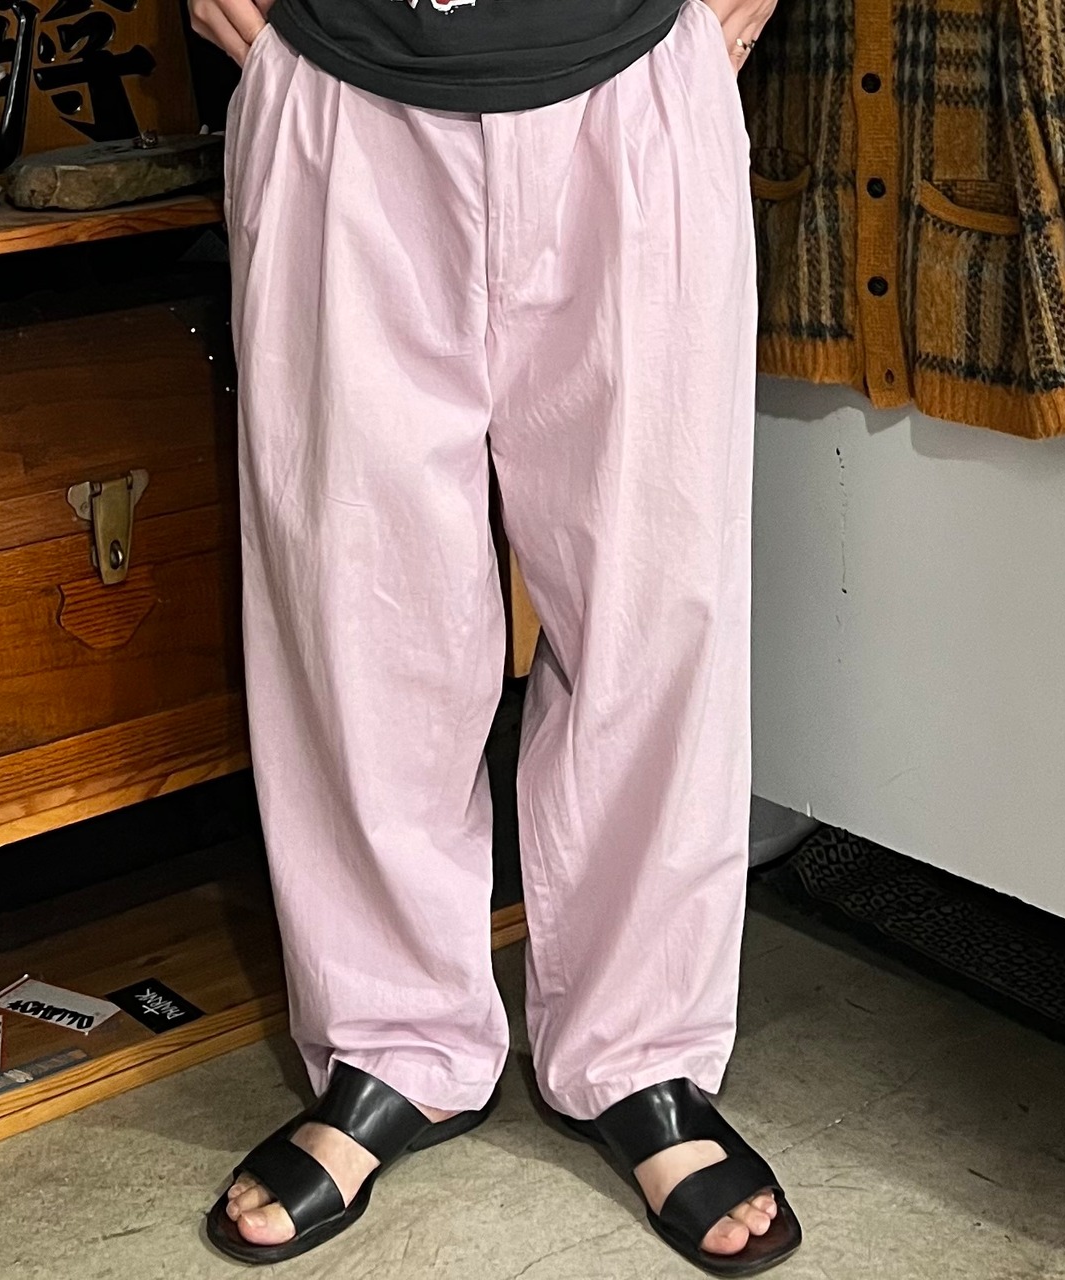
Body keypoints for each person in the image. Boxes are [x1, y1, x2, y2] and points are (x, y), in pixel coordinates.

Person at [190, 0, 798, 1272]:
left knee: (655, 601)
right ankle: (389, 1040)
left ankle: (639, 1049)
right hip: (338, 75)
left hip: (630, 71)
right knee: (353, 611)